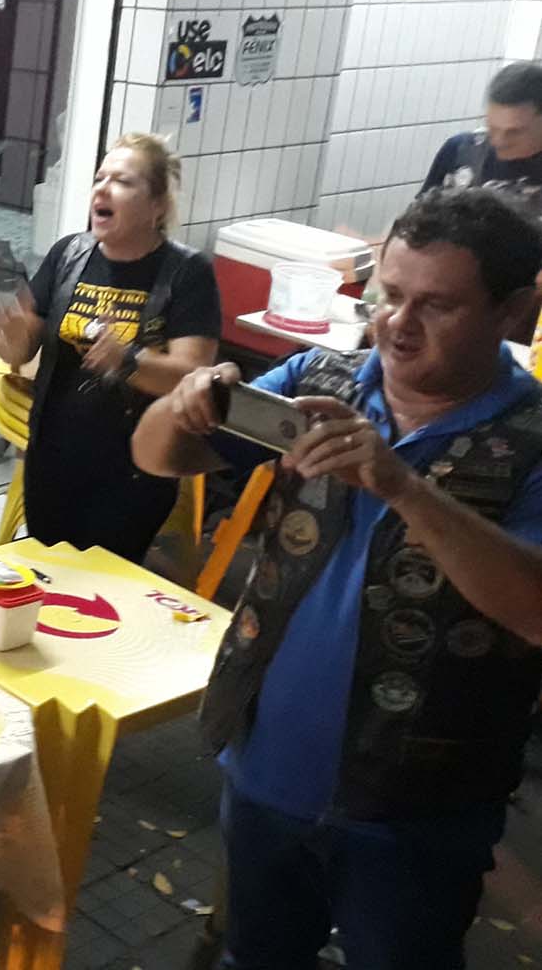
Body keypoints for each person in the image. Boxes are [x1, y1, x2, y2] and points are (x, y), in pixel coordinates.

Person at [132, 188, 542, 970]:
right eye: (389, 294)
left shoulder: (532, 438)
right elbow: (155, 457)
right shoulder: (321, 381)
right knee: (259, 954)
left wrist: (403, 487)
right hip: (266, 768)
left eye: (438, 305)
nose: (397, 324)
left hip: (418, 808)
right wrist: (181, 408)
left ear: (514, 310)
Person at [0, 132, 221, 562]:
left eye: (123, 181)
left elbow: (192, 377)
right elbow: (20, 349)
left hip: (133, 474)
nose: (103, 188)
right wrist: (12, 337)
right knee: (51, 573)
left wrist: (128, 360)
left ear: (157, 205)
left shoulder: (187, 273)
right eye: (100, 178)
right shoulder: (69, 255)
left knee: (103, 582)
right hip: (52, 461)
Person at [421, 61, 542, 216]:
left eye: (514, 132)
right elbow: (417, 218)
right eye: (492, 128)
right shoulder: (460, 150)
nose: (498, 141)